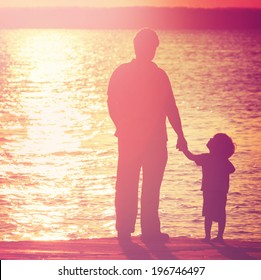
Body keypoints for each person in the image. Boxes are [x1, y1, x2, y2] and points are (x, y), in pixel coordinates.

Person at [107, 28, 187, 242]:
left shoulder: (123, 72)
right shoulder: (156, 75)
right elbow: (171, 107)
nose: (151, 51)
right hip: (150, 139)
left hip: (135, 137)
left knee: (128, 184)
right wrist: (180, 134)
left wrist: (121, 125)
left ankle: (127, 229)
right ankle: (146, 231)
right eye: (151, 47)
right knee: (144, 186)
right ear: (149, 49)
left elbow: (111, 102)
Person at [182, 133, 236, 242]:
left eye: (213, 139)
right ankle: (219, 236)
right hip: (220, 190)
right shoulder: (221, 160)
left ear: (217, 146)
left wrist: (184, 149)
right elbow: (232, 169)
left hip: (210, 190)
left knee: (208, 213)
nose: (210, 139)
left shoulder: (206, 158)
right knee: (220, 212)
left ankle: (208, 237)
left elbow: (191, 157)